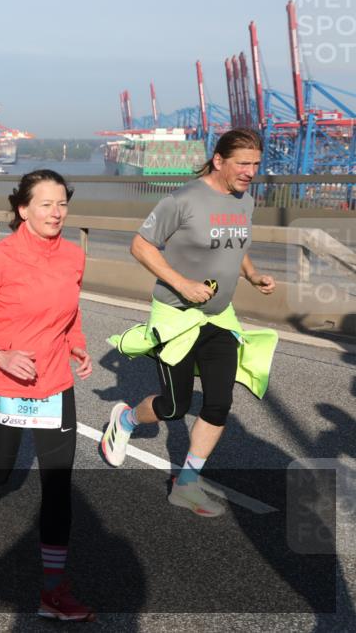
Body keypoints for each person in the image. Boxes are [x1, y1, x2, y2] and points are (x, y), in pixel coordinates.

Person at [102, 128, 279, 518]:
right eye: (243, 163)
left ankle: (186, 483)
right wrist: (182, 283)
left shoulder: (244, 200)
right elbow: (140, 245)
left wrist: (252, 275)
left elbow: (238, 244)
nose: (251, 172)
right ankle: (126, 419)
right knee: (174, 407)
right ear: (219, 161)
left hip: (218, 318)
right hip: (176, 317)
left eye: (255, 164)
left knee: (219, 404)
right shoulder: (183, 200)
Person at [0, 169, 95, 622]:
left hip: (54, 384)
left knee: (57, 485)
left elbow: (69, 312)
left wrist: (77, 346)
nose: (56, 212)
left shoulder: (74, 256)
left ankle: (54, 589)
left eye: (62, 204)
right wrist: (0, 354)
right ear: (23, 209)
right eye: (46, 204)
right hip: (1, 385)